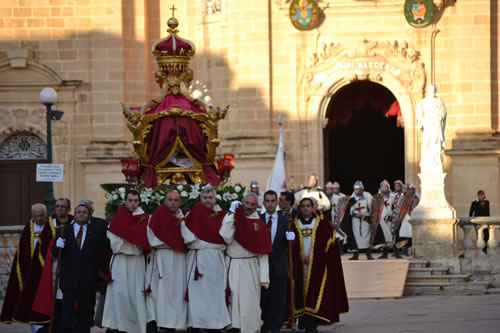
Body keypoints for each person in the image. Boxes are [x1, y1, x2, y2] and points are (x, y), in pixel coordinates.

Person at [287, 198, 348, 333]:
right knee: (299, 293)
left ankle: (311, 325)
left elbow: (326, 244)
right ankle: (302, 321)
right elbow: (290, 246)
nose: (306, 208)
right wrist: (300, 257)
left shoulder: (321, 223)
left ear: (313, 207)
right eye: (303, 206)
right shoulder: (294, 223)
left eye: (308, 206)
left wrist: (313, 257)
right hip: (299, 265)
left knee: (314, 294)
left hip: (316, 266)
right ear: (300, 208)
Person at [52, 203, 109, 333]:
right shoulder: (63, 230)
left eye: (84, 212)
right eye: (79, 212)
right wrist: (57, 245)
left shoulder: (97, 231)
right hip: (69, 278)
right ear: (75, 215)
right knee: (67, 312)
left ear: (89, 215)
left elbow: (105, 249)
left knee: (86, 312)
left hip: (88, 279)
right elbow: (55, 253)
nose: (81, 214)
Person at [220, 193, 273, 333]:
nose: (248, 206)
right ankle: (234, 327)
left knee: (250, 303)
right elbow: (225, 237)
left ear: (257, 207)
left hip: (251, 268)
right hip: (233, 265)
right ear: (241, 202)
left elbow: (263, 252)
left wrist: (264, 277)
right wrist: (232, 214)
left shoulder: (259, 224)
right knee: (233, 300)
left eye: (252, 204)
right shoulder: (233, 218)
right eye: (246, 203)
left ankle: (251, 328)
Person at [181, 186, 230, 333]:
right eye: (205, 198)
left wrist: (202, 240)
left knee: (215, 295)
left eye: (210, 198)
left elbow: (226, 236)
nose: (208, 201)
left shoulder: (223, 216)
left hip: (215, 260)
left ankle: (215, 326)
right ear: (200, 198)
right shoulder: (193, 213)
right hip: (197, 259)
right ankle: (195, 324)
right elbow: (187, 237)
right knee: (196, 296)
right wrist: (204, 241)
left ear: (215, 199)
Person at [0, 204, 55, 333]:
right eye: (36, 216)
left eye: (42, 215)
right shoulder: (28, 229)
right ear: (32, 215)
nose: (39, 218)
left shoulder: (50, 227)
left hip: (45, 271)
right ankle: (35, 326)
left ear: (46, 214)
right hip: (30, 270)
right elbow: (23, 251)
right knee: (30, 298)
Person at [102, 190, 150, 333]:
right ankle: (117, 325)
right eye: (130, 200)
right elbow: (114, 240)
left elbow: (144, 240)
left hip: (136, 261)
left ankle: (137, 327)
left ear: (139, 202)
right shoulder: (118, 216)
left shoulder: (144, 218)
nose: (133, 203)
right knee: (119, 294)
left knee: (137, 295)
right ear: (125, 201)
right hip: (121, 260)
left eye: (135, 201)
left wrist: (129, 241)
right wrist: (130, 242)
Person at [145, 191, 187, 333]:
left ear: (180, 202)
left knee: (175, 293)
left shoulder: (183, 219)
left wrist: (169, 241)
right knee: (155, 293)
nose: (173, 202)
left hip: (177, 260)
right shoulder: (156, 216)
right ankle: (152, 324)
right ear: (165, 201)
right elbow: (151, 238)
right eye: (170, 200)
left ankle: (171, 326)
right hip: (160, 258)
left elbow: (186, 239)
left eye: (176, 200)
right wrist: (170, 242)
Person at [260, 190, 294, 333]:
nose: (270, 204)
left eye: (273, 201)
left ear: (277, 202)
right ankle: (264, 325)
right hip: (261, 267)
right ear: (263, 203)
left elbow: (292, 245)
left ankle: (276, 328)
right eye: (267, 201)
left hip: (279, 266)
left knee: (278, 300)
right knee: (263, 300)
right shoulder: (258, 219)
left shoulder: (285, 220)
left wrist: (292, 238)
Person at [416, 84, 447, 171]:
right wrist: (419, 123)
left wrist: (438, 111)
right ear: (428, 91)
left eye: (434, 90)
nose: (432, 91)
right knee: (426, 141)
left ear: (435, 90)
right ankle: (426, 159)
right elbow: (420, 114)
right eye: (431, 90)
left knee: (436, 141)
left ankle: (436, 159)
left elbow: (443, 113)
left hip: (436, 123)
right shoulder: (423, 102)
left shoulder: (440, 101)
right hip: (428, 123)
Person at [340, 181, 373, 260]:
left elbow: (372, 206)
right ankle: (355, 254)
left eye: (358, 189)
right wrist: (357, 213)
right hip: (355, 220)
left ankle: (368, 254)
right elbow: (349, 209)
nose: (357, 191)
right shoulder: (352, 197)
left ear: (362, 189)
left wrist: (366, 215)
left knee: (367, 236)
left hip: (365, 219)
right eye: (355, 189)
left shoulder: (367, 196)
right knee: (355, 237)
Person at [392, 184, 419, 258]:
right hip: (402, 218)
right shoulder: (402, 197)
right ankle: (397, 252)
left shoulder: (416, 198)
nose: (411, 191)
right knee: (399, 235)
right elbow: (398, 208)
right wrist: (398, 218)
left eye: (412, 189)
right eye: (409, 189)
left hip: (411, 218)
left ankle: (406, 250)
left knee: (409, 235)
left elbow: (416, 207)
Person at [370, 180, 394, 259]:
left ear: (388, 187)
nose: (383, 188)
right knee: (383, 235)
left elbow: (395, 207)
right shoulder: (377, 197)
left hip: (389, 219)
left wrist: (392, 216)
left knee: (389, 236)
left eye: (385, 187)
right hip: (380, 220)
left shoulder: (392, 196)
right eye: (382, 187)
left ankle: (393, 253)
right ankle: (384, 253)